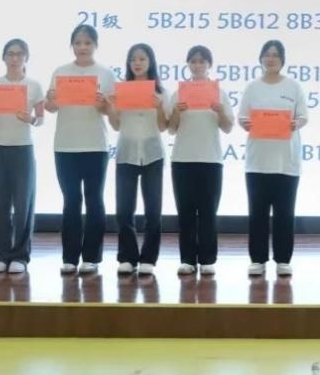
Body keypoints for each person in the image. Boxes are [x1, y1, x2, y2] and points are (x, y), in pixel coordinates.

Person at [45, 24, 117, 275]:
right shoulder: (61, 72)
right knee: (71, 201)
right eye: (78, 42)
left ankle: (92, 257)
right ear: (71, 45)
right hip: (65, 145)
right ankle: (69, 257)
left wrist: (103, 104)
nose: (82, 47)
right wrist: (51, 99)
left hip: (95, 145)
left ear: (95, 45)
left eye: (87, 42)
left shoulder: (105, 74)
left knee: (94, 200)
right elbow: (50, 107)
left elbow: (111, 112)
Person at [238, 40, 309, 278]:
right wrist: (246, 123)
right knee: (257, 213)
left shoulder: (293, 87)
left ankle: (283, 260)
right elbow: (242, 117)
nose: (271, 59)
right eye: (267, 54)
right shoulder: (252, 87)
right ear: (260, 59)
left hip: (286, 160)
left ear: (282, 60)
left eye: (275, 55)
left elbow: (303, 116)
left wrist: (296, 123)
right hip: (258, 160)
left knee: (284, 213)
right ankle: (257, 259)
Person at [0, 38, 46, 275]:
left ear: (26, 58)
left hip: (22, 148)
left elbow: (41, 119)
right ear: (3, 57)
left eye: (19, 54)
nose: (15, 58)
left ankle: (20, 255)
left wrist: (31, 119)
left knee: (23, 204)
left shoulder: (34, 85)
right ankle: (1, 254)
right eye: (10, 54)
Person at [168, 45, 234, 276]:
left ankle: (207, 259)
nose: (197, 65)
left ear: (209, 65)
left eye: (202, 61)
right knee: (185, 212)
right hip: (182, 159)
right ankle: (187, 259)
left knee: (208, 212)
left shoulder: (219, 93)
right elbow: (171, 129)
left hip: (210, 159)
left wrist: (220, 111)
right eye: (193, 61)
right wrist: (176, 112)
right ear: (188, 64)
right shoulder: (178, 93)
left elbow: (228, 127)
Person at [108, 43, 171, 277]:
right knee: (124, 210)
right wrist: (112, 107)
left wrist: (159, 108)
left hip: (152, 153)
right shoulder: (122, 89)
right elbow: (116, 125)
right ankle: (127, 257)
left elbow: (164, 127)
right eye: (133, 59)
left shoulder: (161, 92)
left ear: (150, 62)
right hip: (127, 153)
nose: (137, 63)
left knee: (153, 210)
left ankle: (149, 258)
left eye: (142, 59)